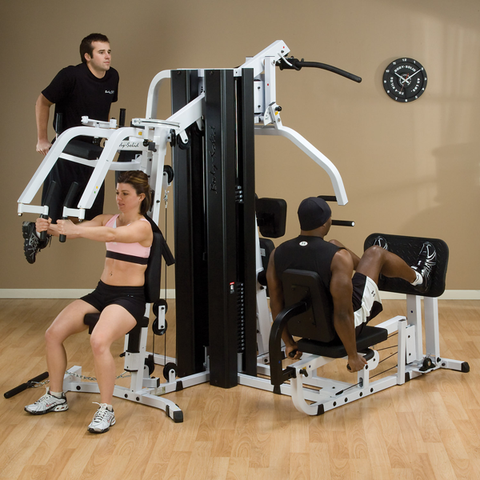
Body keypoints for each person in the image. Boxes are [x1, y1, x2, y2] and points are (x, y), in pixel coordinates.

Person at [24, 171, 154, 434]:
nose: (118, 198)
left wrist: (77, 230)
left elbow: (111, 236)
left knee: (98, 341)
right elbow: (77, 231)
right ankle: (56, 396)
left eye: (125, 194)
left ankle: (106, 409)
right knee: (53, 334)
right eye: (117, 192)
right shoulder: (109, 219)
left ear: (140, 197)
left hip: (129, 298)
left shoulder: (143, 226)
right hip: (102, 292)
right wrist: (48, 227)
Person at [266, 196, 437, 372]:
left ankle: (377, 272)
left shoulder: (277, 254)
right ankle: (420, 278)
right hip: (339, 329)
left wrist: (289, 342)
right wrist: (353, 354)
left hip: (307, 326)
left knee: (334, 244)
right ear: (325, 223)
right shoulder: (337, 257)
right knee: (375, 252)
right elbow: (343, 313)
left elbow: (276, 303)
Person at [23, 33, 119, 263]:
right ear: (87, 56)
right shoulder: (71, 75)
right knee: (54, 212)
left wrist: (107, 136)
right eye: (101, 52)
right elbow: (42, 101)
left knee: (86, 215)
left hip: (95, 152)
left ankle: (39, 234)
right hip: (68, 148)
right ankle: (38, 232)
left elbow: (104, 109)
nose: (107, 56)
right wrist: (42, 139)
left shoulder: (112, 76)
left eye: (109, 51)